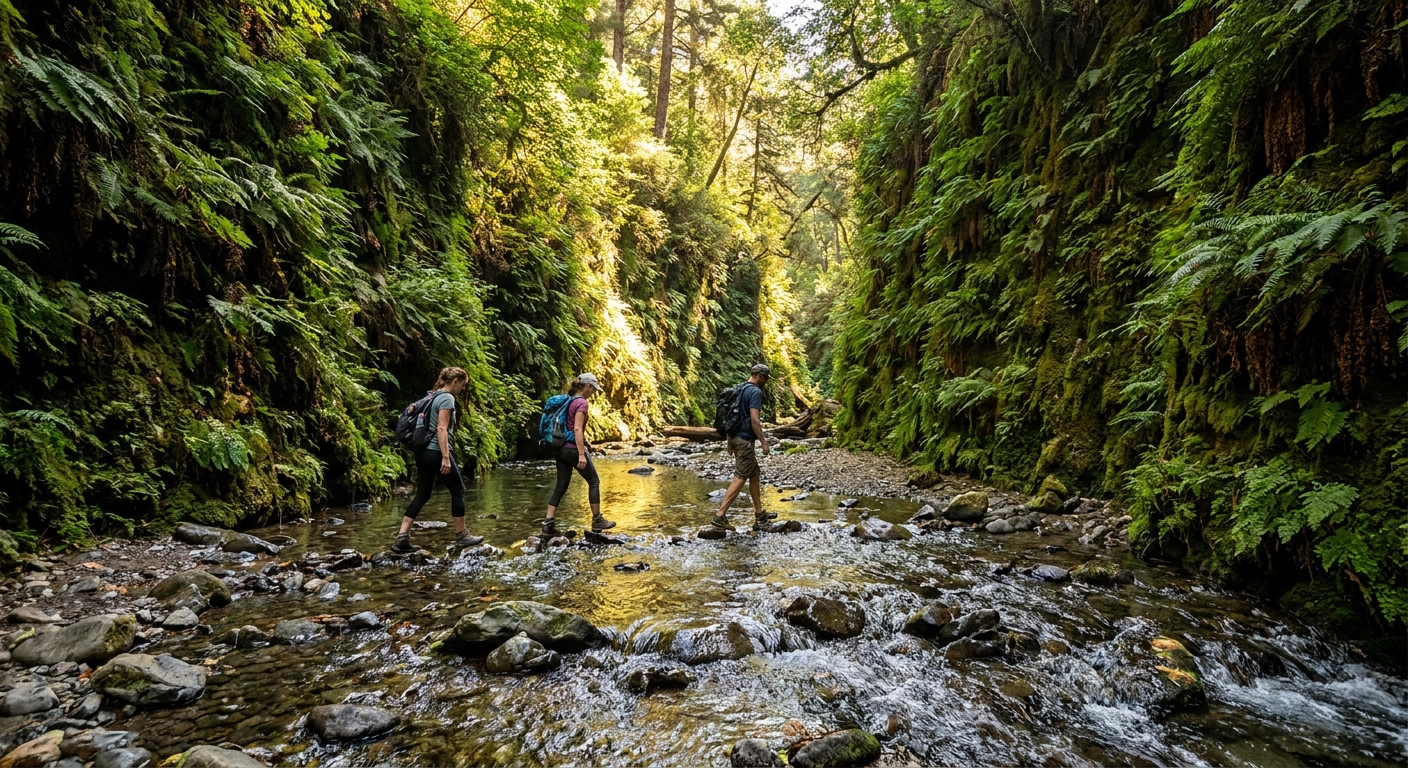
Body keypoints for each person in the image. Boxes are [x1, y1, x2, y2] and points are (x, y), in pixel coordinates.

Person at [392, 367, 484, 553]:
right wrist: (445, 457)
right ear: (455, 381)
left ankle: (401, 538)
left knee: (423, 494)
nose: (463, 389)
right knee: (458, 490)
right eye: (463, 385)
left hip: (423, 452)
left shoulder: (432, 395)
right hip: (436, 451)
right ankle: (462, 535)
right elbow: (441, 428)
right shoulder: (447, 398)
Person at [542, 373, 616, 537]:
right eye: (593, 389)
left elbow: (570, 428)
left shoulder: (568, 400)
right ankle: (597, 520)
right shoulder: (581, 403)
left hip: (560, 448)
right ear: (587, 386)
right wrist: (581, 454)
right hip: (572, 449)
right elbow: (577, 429)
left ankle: (548, 524)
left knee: (560, 486)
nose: (594, 392)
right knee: (594, 481)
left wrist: (586, 445)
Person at [711, 364, 778, 532]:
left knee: (754, 473)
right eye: (766, 378)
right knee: (740, 478)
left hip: (735, 438)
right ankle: (720, 516)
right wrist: (764, 442)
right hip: (745, 441)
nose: (766, 382)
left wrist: (729, 442)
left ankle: (759, 516)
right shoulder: (755, 392)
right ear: (760, 376)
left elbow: (730, 418)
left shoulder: (740, 389)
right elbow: (755, 420)